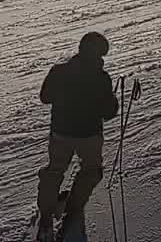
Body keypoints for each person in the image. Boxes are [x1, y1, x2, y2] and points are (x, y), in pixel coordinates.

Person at [36, 31, 120, 238]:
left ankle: (46, 217)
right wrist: (112, 101)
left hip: (60, 132)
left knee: (54, 171)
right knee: (91, 170)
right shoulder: (101, 78)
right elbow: (109, 113)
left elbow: (45, 97)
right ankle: (73, 209)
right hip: (89, 135)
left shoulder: (59, 71)